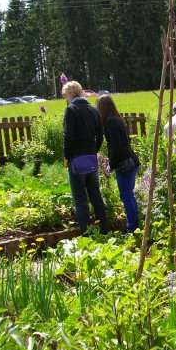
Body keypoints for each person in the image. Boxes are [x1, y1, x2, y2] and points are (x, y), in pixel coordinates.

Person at [62, 80, 109, 235]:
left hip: (76, 159)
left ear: (69, 95)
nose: (65, 100)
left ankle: (87, 235)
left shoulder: (71, 109)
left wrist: (66, 156)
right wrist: (93, 151)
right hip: (90, 159)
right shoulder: (94, 110)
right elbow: (100, 136)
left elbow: (68, 136)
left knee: (80, 199)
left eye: (65, 97)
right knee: (96, 196)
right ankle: (104, 230)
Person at [96, 94, 140, 234]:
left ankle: (132, 228)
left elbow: (116, 147)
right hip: (131, 162)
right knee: (129, 195)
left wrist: (111, 164)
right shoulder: (117, 119)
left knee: (126, 196)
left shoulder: (110, 123)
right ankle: (135, 225)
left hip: (124, 165)